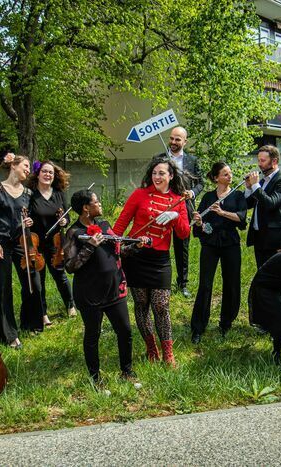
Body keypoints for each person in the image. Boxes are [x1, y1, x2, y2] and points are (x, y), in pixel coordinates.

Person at [63, 189, 148, 383]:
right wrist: (90, 246)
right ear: (86, 208)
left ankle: (127, 371)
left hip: (114, 289)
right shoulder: (74, 233)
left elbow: (117, 251)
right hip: (90, 294)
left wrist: (135, 247)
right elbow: (70, 266)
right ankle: (95, 377)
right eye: (96, 201)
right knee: (93, 336)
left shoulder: (104, 225)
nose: (100, 204)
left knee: (125, 331)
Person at [113, 157, 190, 366]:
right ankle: (151, 348)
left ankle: (168, 353)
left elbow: (184, 234)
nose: (157, 177)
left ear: (171, 176)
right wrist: (112, 248)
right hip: (136, 255)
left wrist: (176, 216)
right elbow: (121, 224)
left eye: (162, 173)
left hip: (159, 260)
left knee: (161, 305)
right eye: (155, 173)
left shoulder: (178, 201)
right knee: (141, 304)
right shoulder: (140, 194)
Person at [0, 153, 43, 349]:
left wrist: (29, 221)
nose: (29, 170)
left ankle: (30, 322)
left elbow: (30, 216)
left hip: (22, 241)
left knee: (32, 281)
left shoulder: (27, 193)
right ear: (13, 166)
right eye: (26, 166)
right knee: (4, 287)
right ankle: (9, 334)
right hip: (2, 243)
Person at [190, 162, 247, 344]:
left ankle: (226, 322)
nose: (229, 176)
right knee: (205, 284)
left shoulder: (238, 195)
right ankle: (198, 327)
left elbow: (241, 218)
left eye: (230, 173)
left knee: (231, 283)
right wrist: (198, 221)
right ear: (216, 178)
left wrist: (222, 212)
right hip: (211, 244)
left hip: (230, 243)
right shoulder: (208, 197)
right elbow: (201, 225)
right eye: (225, 174)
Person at [28, 160, 77, 324]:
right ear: (38, 174)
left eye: (51, 172)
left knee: (60, 276)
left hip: (55, 243)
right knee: (39, 281)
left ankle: (70, 305)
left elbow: (67, 216)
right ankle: (43, 314)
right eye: (45, 171)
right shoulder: (31, 194)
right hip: (36, 244)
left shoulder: (58, 193)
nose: (48, 175)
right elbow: (26, 216)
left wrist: (64, 221)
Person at [162, 126, 203, 297]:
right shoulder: (159, 158)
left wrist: (192, 193)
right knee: (161, 246)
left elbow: (201, 183)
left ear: (185, 141)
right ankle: (163, 283)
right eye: (171, 138)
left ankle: (182, 283)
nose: (173, 142)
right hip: (162, 208)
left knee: (182, 248)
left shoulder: (192, 161)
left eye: (177, 139)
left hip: (184, 209)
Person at [244, 145, 281, 269]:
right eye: (258, 160)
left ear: (274, 161)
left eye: (263, 160)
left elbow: (270, 204)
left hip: (274, 239)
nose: (259, 164)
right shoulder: (261, 182)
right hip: (259, 237)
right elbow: (248, 204)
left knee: (275, 276)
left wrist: (255, 186)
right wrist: (249, 188)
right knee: (261, 274)